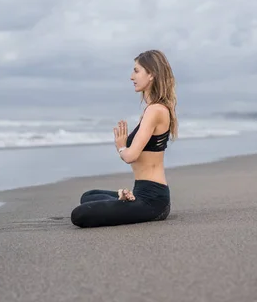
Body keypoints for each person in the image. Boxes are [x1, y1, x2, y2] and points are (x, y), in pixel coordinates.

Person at [70, 50, 178, 228]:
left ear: (151, 74)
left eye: (136, 71)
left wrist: (121, 147)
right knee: (88, 196)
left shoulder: (155, 110)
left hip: (153, 201)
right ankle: (123, 195)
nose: (131, 77)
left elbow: (131, 156)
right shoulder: (153, 109)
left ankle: (126, 200)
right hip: (142, 194)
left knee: (79, 214)